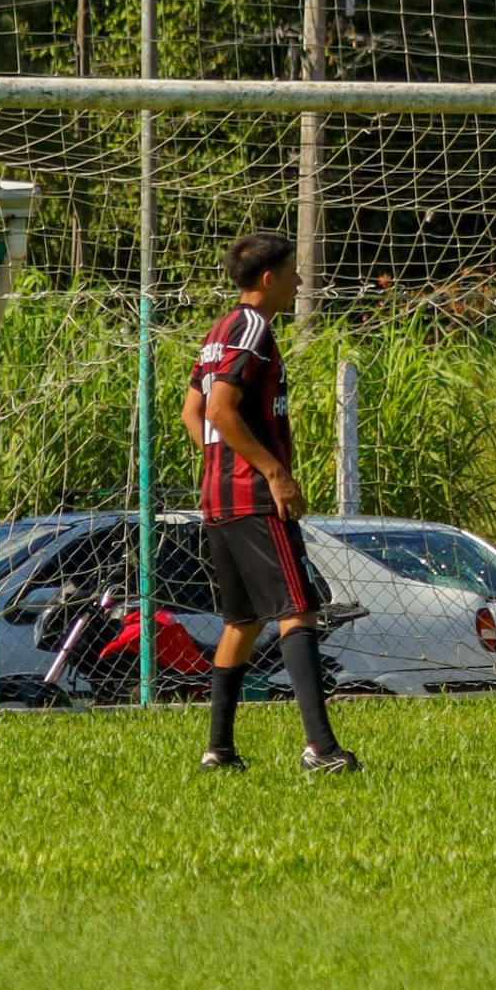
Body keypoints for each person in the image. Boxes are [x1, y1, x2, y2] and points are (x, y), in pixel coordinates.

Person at [182, 231, 357, 775]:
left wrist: (222, 467)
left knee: (242, 622)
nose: (299, 283)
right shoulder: (253, 328)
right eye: (292, 274)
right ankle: (322, 750)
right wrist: (273, 472)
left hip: (219, 496)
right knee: (297, 610)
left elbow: (193, 414)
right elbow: (220, 410)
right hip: (253, 497)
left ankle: (219, 749)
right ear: (268, 279)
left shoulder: (217, 331)